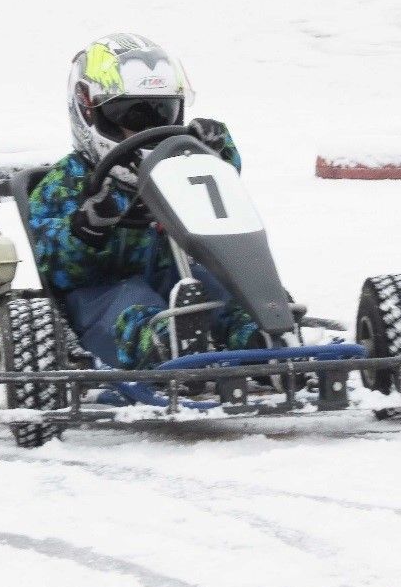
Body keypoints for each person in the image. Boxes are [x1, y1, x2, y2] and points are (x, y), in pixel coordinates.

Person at [27, 33, 261, 369]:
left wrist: (216, 153)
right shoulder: (65, 182)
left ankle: (260, 339)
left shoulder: (174, 168)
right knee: (134, 307)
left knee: (221, 290)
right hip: (97, 297)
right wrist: (87, 227)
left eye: (160, 114)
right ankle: (168, 348)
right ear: (90, 113)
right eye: (132, 116)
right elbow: (55, 268)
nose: (147, 128)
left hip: (172, 280)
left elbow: (217, 193)